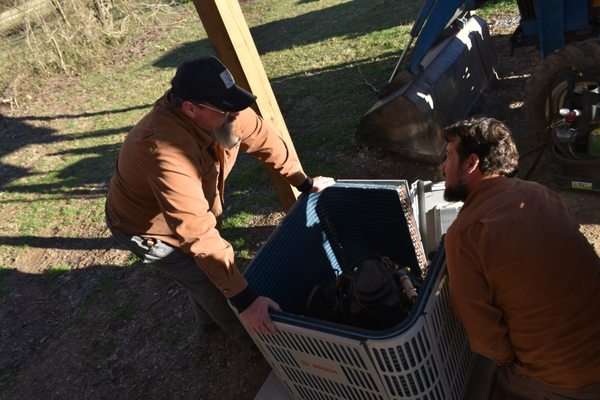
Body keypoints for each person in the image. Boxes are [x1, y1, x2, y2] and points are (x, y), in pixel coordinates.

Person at [105, 56, 335, 346]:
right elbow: (195, 230)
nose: (236, 115)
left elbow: (265, 139)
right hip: (146, 229)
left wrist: (304, 182)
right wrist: (247, 302)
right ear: (190, 109)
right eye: (226, 110)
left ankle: (208, 322)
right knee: (211, 283)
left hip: (191, 213)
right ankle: (258, 345)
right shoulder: (162, 150)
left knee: (206, 274)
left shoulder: (225, 110)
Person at [440, 116, 600, 399]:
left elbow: (489, 342)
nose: (443, 167)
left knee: (482, 381)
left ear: (471, 163)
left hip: (568, 380)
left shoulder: (465, 234)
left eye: (449, 156)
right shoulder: (540, 193)